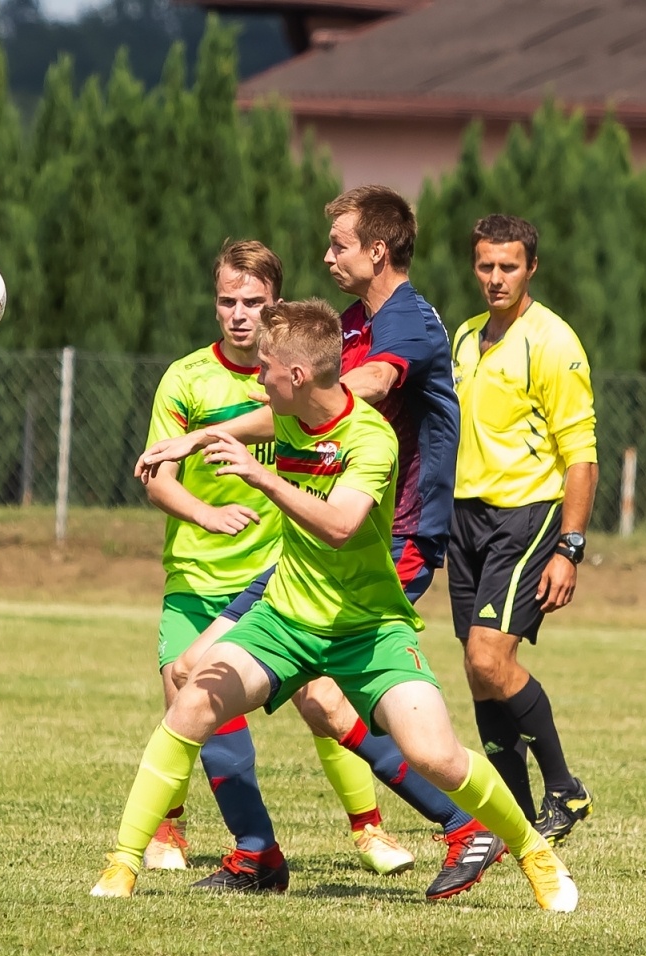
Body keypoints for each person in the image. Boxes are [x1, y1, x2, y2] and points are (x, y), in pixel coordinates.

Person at [94, 298, 578, 911]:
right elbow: (248, 423)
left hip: (368, 628)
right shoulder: (287, 410)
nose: (257, 376)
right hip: (286, 617)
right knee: (191, 699)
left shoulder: (368, 437)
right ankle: (122, 865)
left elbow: (342, 525)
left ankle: (533, 849)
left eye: (266, 368)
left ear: (295, 377)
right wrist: (186, 443)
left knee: (434, 753)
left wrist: (262, 478)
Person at [143, 187, 505, 902]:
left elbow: (356, 387)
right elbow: (305, 395)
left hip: (383, 542)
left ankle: (464, 825)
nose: (327, 255)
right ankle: (262, 849)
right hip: (319, 552)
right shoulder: (352, 323)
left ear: (377, 250)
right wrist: (200, 435)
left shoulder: (408, 323)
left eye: (338, 244)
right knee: (219, 677)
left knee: (336, 701)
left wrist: (250, 421)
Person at [140, 239, 409, 893]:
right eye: (227, 301)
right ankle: (184, 829)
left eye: (252, 303)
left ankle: (369, 824)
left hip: (274, 575)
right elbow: (157, 474)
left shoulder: (294, 380)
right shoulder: (185, 378)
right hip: (194, 578)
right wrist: (205, 514)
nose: (238, 315)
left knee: (322, 699)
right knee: (186, 687)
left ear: (276, 307)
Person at [449, 214, 599, 843]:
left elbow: (582, 456)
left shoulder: (553, 342)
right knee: (477, 668)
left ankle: (563, 786)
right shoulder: (463, 338)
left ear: (531, 268)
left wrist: (570, 547)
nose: (495, 277)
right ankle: (512, 816)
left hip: (527, 515)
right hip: (464, 517)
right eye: (485, 265)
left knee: (490, 655)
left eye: (508, 266)